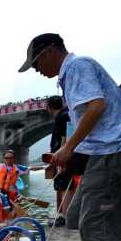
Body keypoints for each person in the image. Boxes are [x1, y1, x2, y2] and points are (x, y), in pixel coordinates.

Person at [19, 32, 121, 241]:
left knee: (99, 219)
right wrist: (71, 156)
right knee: (80, 213)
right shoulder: (70, 74)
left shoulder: (77, 66)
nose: (37, 71)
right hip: (102, 154)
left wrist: (68, 147)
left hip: (115, 155)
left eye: (36, 63)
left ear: (51, 51)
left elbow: (96, 107)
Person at [46, 95, 75, 226]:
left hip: (63, 157)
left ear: (48, 107)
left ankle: (64, 217)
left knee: (64, 187)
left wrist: (61, 158)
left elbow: (65, 137)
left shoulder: (60, 117)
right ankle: (66, 215)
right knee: (67, 186)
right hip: (68, 155)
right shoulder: (67, 114)